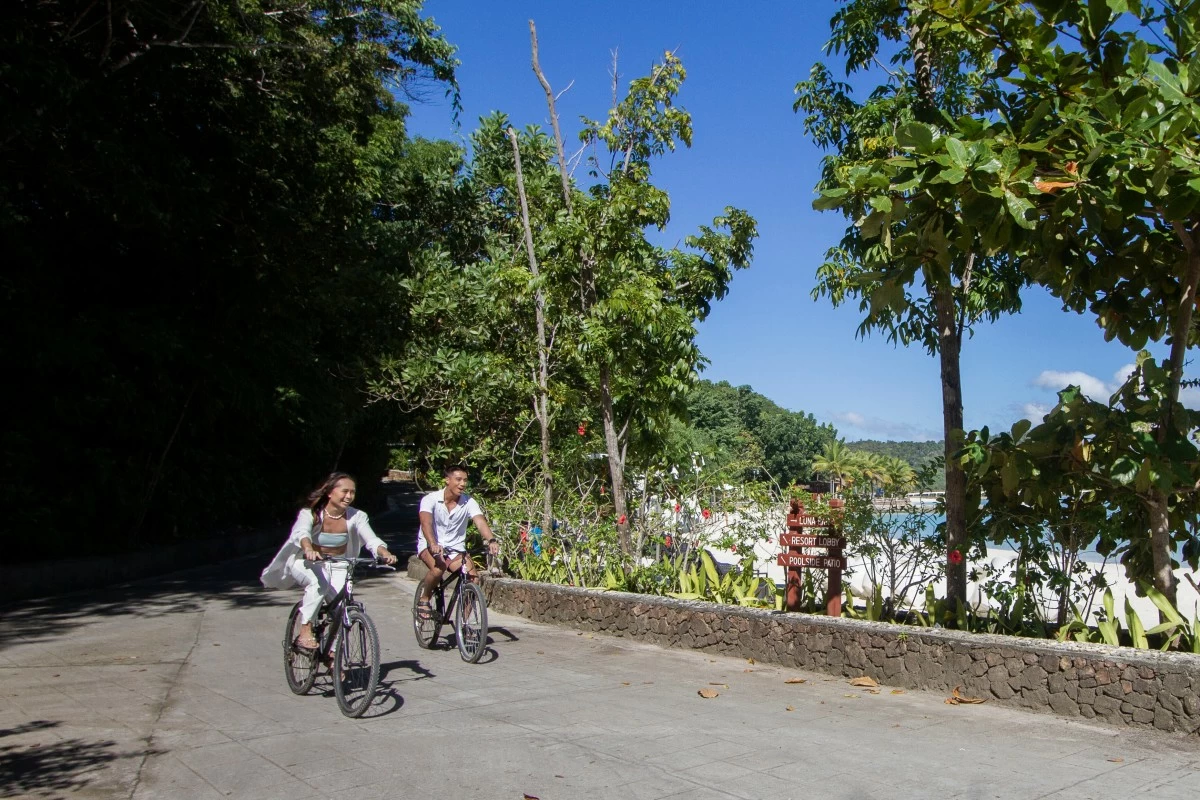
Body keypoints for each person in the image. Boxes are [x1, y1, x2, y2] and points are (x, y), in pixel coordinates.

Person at [261, 472, 397, 649]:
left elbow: (371, 540)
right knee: (320, 584)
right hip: (306, 562)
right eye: (344, 491)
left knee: (342, 608)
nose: (349, 496)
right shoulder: (310, 513)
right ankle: (305, 629)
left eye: (352, 492)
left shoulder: (357, 516)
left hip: (339, 565)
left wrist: (384, 553)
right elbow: (302, 533)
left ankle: (332, 652)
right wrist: (308, 549)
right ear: (330, 492)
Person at [415, 463, 500, 618]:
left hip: (455, 548)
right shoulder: (430, 499)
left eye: (465, 480)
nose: (462, 484)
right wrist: (433, 544)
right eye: (458, 480)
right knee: (439, 567)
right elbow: (425, 523)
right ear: (447, 480)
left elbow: (480, 521)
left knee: (473, 578)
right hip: (430, 544)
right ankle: (425, 598)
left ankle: (465, 625)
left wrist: (491, 540)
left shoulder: (468, 502)